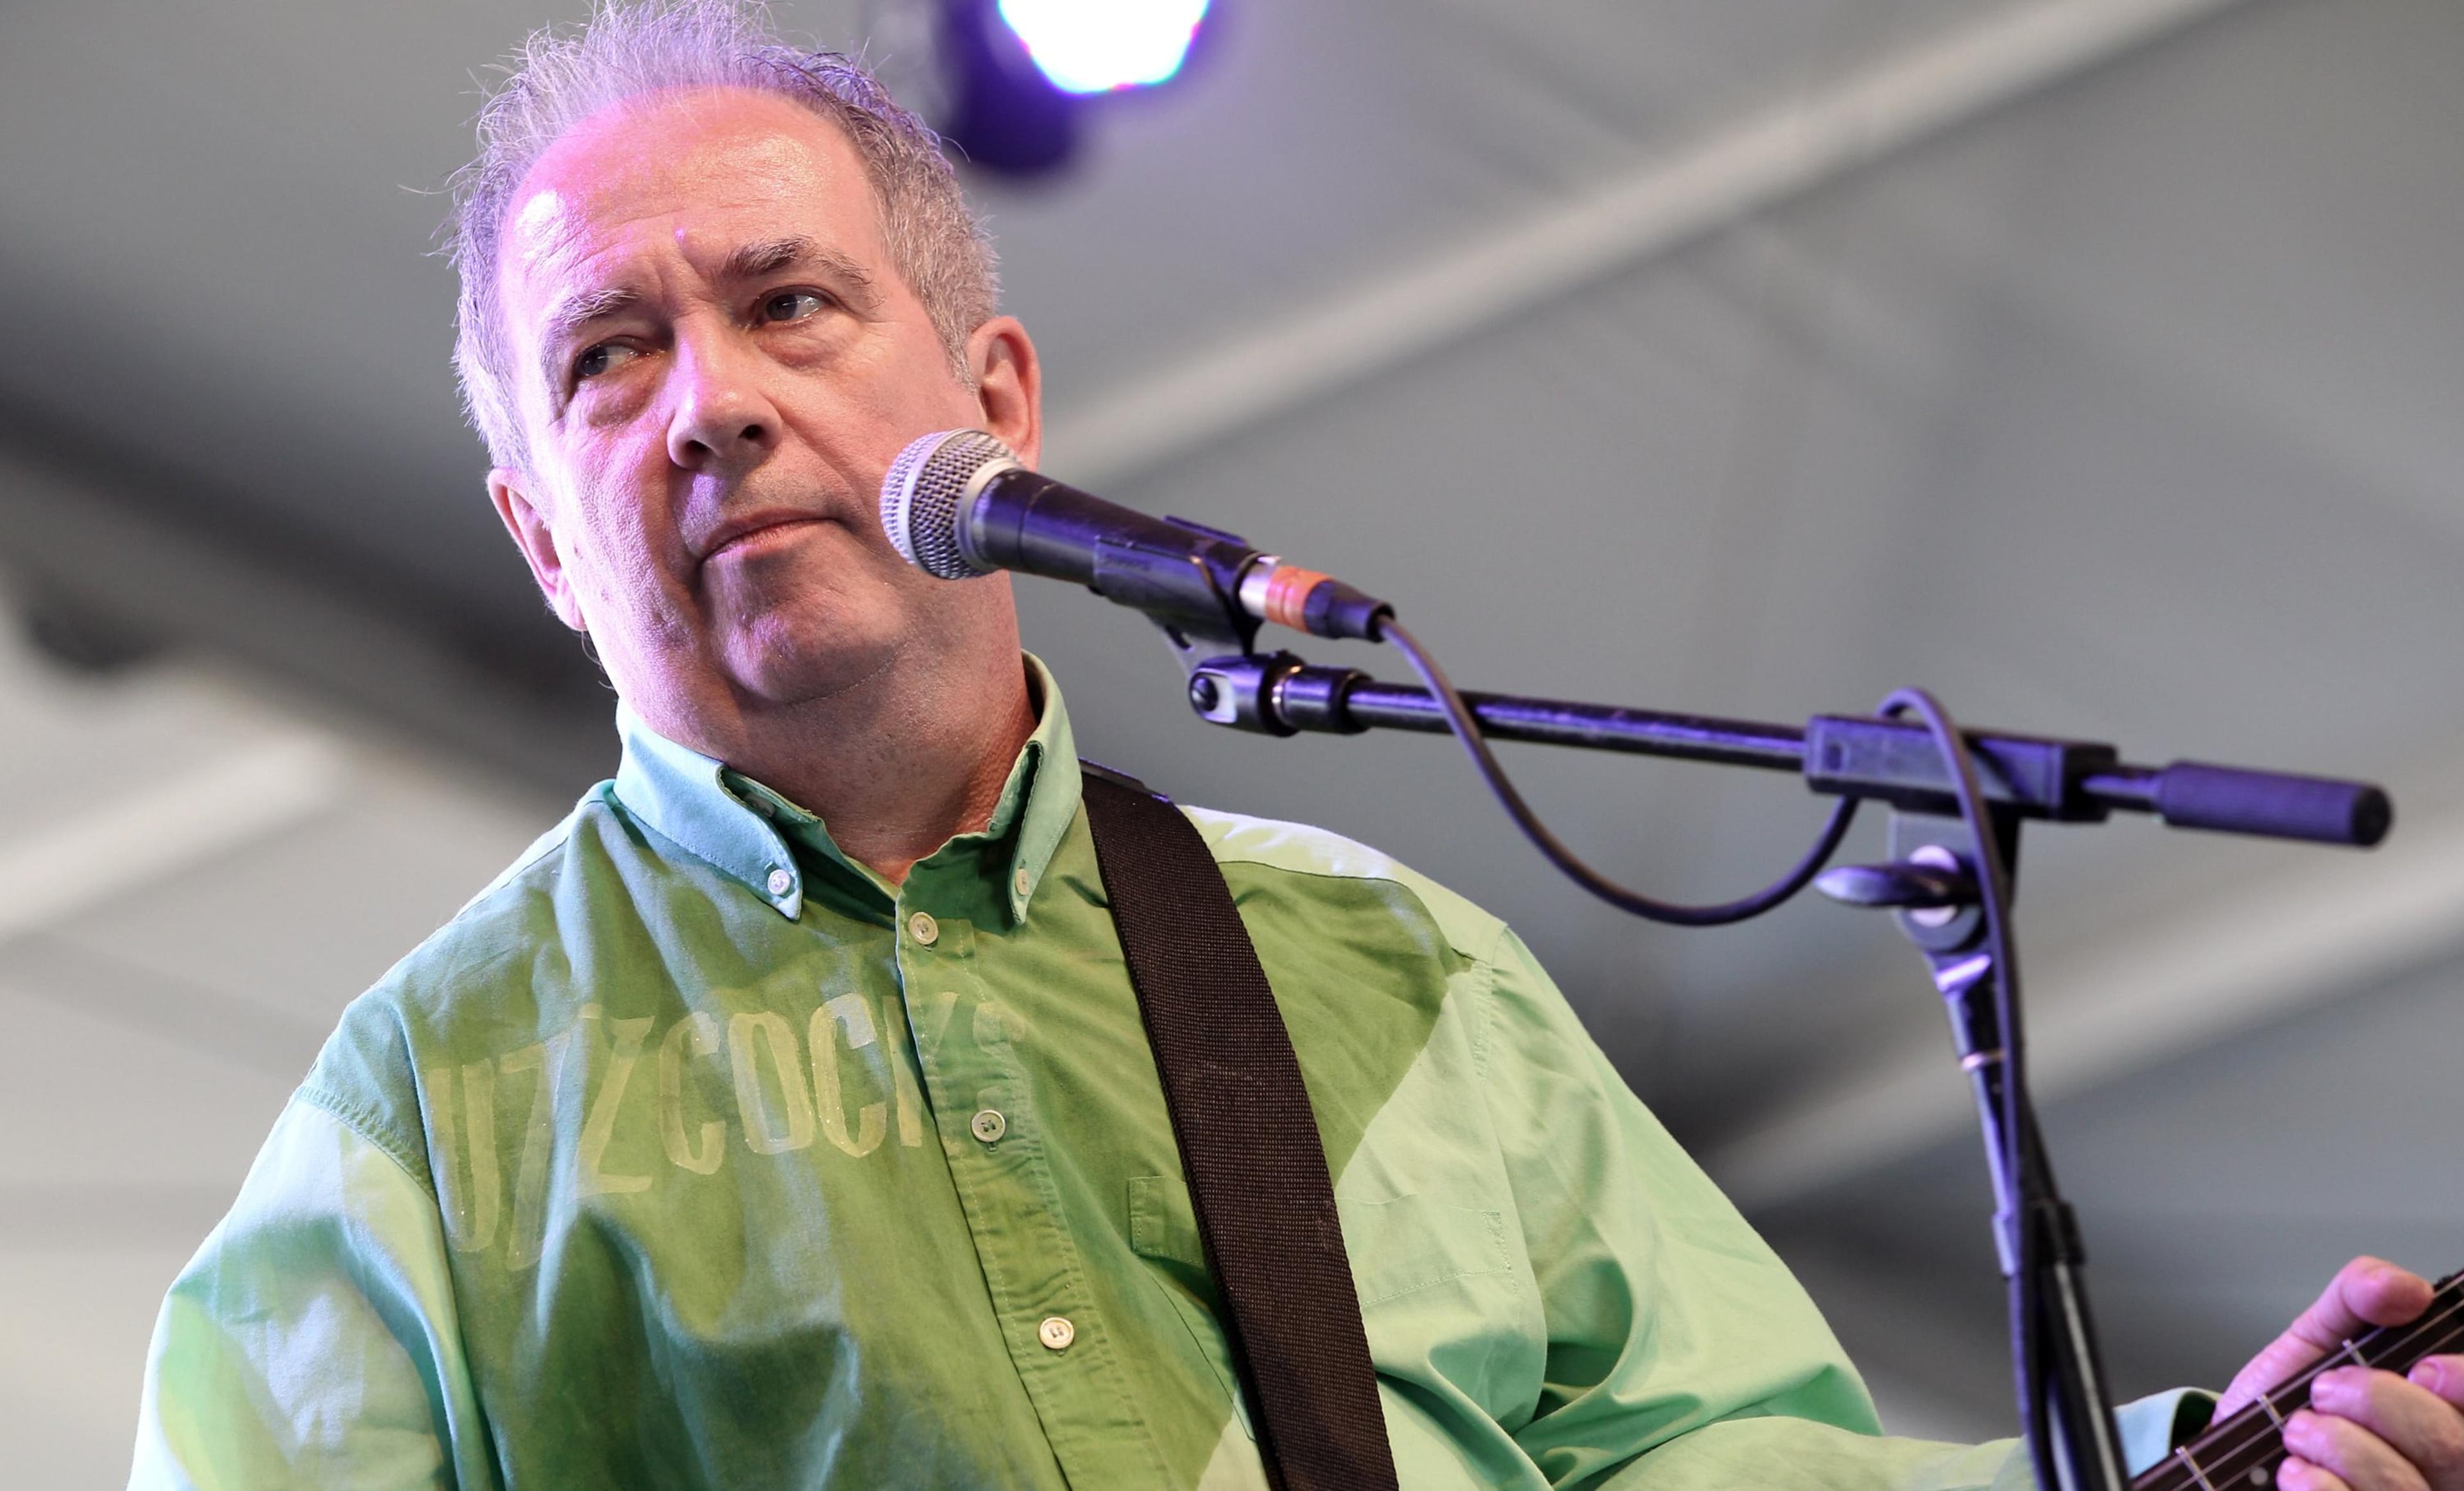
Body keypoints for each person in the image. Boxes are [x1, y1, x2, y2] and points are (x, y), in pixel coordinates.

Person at [128, 3, 2464, 1488]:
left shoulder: (1386, 969)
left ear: (999, 403)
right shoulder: (423, 1126)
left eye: (787, 302)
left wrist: (2195, 1461)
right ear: (543, 536)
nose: (714, 398)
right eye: (609, 357)